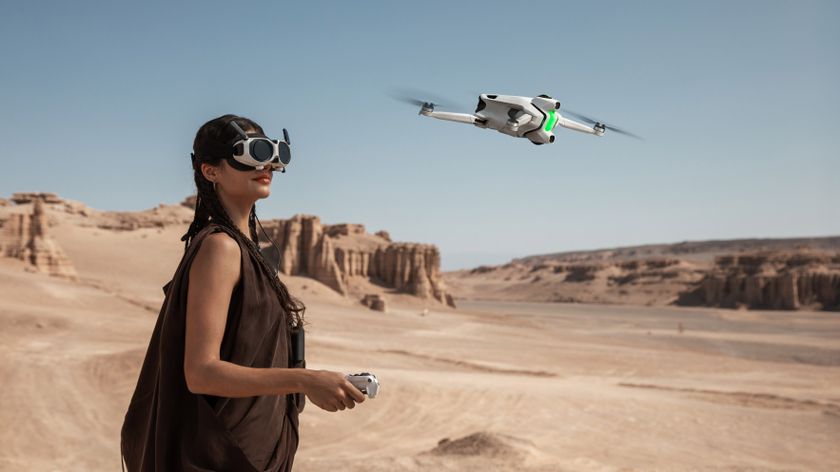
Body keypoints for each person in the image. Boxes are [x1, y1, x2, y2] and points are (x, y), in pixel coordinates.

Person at [120, 114, 365, 472]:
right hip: (225, 455)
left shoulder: (247, 247)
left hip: (255, 450)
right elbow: (201, 372)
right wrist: (306, 380)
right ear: (210, 171)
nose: (265, 164)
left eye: (272, 152)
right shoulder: (220, 248)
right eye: (250, 153)